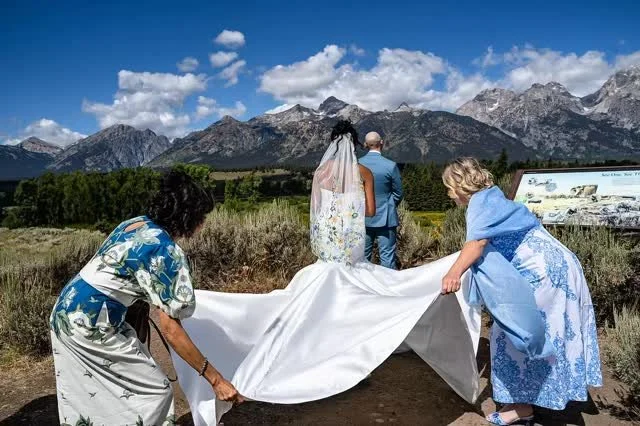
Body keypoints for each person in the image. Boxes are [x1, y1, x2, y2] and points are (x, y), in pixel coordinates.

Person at [174, 121, 481, 426]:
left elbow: (318, 209)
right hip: (350, 251)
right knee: (372, 295)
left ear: (332, 143)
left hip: (329, 250)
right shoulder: (363, 172)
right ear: (355, 144)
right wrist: (352, 206)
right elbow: (370, 211)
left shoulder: (321, 172)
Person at [49, 170, 242, 426]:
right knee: (155, 393)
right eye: (202, 216)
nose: (204, 223)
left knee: (95, 391)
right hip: (92, 322)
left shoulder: (136, 224)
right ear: (188, 216)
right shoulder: (166, 252)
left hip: (67, 309)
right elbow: (171, 330)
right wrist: (216, 380)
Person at [441, 158, 602, 426]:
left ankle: (523, 407)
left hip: (543, 272)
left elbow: (476, 244)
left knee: (515, 332)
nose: (449, 194)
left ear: (459, 185)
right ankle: (544, 395)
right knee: (552, 330)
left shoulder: (478, 203)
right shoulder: (493, 195)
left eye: (449, 188)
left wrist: (453, 273)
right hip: (559, 263)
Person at [358, 131, 403, 269]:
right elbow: (398, 193)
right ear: (381, 143)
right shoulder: (390, 165)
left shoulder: (357, 164)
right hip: (386, 218)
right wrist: (390, 204)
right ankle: (388, 283)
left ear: (366, 144)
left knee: (361, 259)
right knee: (387, 259)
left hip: (362, 217)